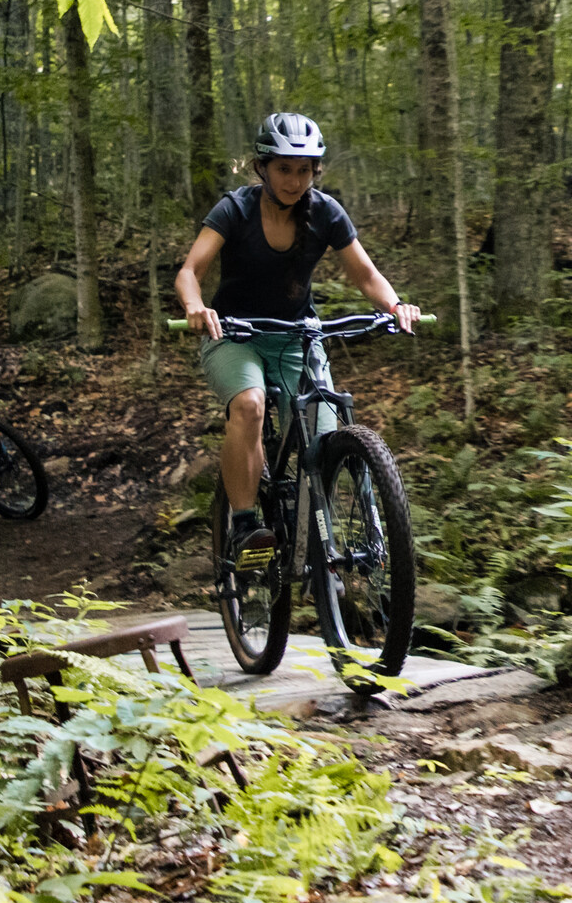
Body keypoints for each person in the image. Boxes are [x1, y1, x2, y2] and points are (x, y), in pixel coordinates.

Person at [174, 112, 420, 572]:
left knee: (325, 444)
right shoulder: (236, 209)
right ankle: (245, 525)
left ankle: (315, 551)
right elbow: (190, 272)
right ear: (262, 167)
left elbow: (365, 273)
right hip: (233, 335)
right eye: (284, 168)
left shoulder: (325, 211)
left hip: (296, 337)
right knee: (248, 406)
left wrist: (395, 305)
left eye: (304, 169)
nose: (294, 179)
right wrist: (194, 308)